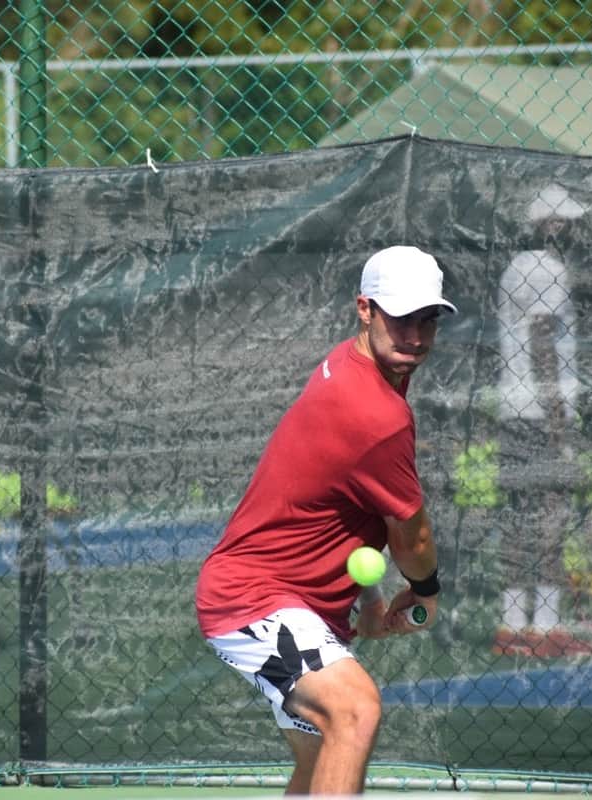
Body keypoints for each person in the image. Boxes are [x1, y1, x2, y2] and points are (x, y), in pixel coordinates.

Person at [195, 245, 452, 796]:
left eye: (427, 319)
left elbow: (347, 506)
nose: (415, 335)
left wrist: (368, 597)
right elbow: (413, 536)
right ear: (365, 309)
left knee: (318, 764)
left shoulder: (354, 362)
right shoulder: (377, 412)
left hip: (298, 602)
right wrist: (424, 589)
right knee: (355, 710)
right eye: (401, 318)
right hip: (253, 597)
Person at [492, 183, 592, 659]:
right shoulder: (546, 269)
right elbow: (543, 345)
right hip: (541, 415)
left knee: (519, 520)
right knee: (551, 519)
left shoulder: (519, 266)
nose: (579, 232)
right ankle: (547, 628)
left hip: (515, 412)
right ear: (553, 226)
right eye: (572, 223)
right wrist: (560, 427)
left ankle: (514, 628)